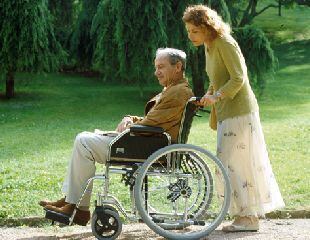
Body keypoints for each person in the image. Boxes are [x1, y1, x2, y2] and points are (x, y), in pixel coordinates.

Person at [38, 48, 194, 226]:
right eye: (156, 67)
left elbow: (153, 123)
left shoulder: (178, 92)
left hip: (146, 147)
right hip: (146, 142)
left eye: (161, 67)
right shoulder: (174, 89)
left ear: (178, 66)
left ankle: (76, 206)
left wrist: (130, 126)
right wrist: (130, 118)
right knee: (85, 139)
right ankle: (72, 203)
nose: (156, 72)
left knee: (83, 141)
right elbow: (155, 119)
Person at [182, 5, 285, 232]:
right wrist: (210, 93)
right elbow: (218, 77)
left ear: (207, 27)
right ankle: (244, 216)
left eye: (194, 31)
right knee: (229, 163)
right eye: (189, 31)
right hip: (226, 111)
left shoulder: (224, 43)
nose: (190, 36)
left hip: (239, 111)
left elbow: (239, 77)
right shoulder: (208, 47)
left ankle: (248, 218)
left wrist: (217, 96)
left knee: (233, 162)